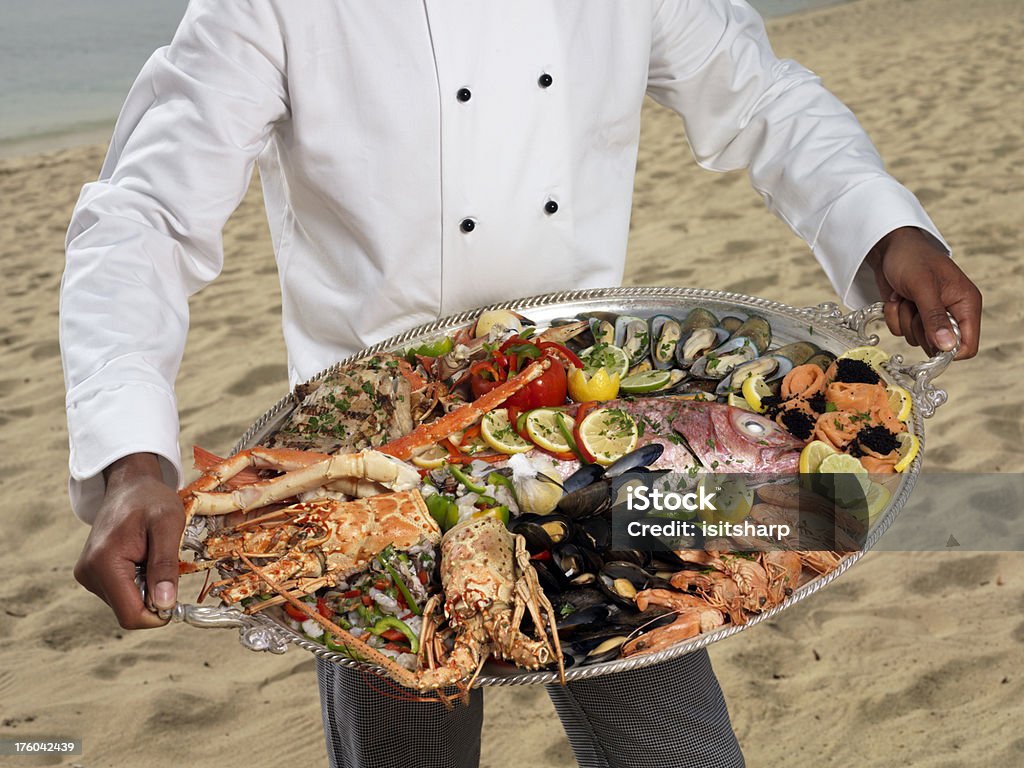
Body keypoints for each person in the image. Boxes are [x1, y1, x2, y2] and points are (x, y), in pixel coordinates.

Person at [61, 2, 982, 767]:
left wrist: (881, 228)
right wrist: (131, 455)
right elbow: (145, 210)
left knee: (680, 749)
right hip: (372, 468)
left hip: (586, 429)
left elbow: (762, 97)